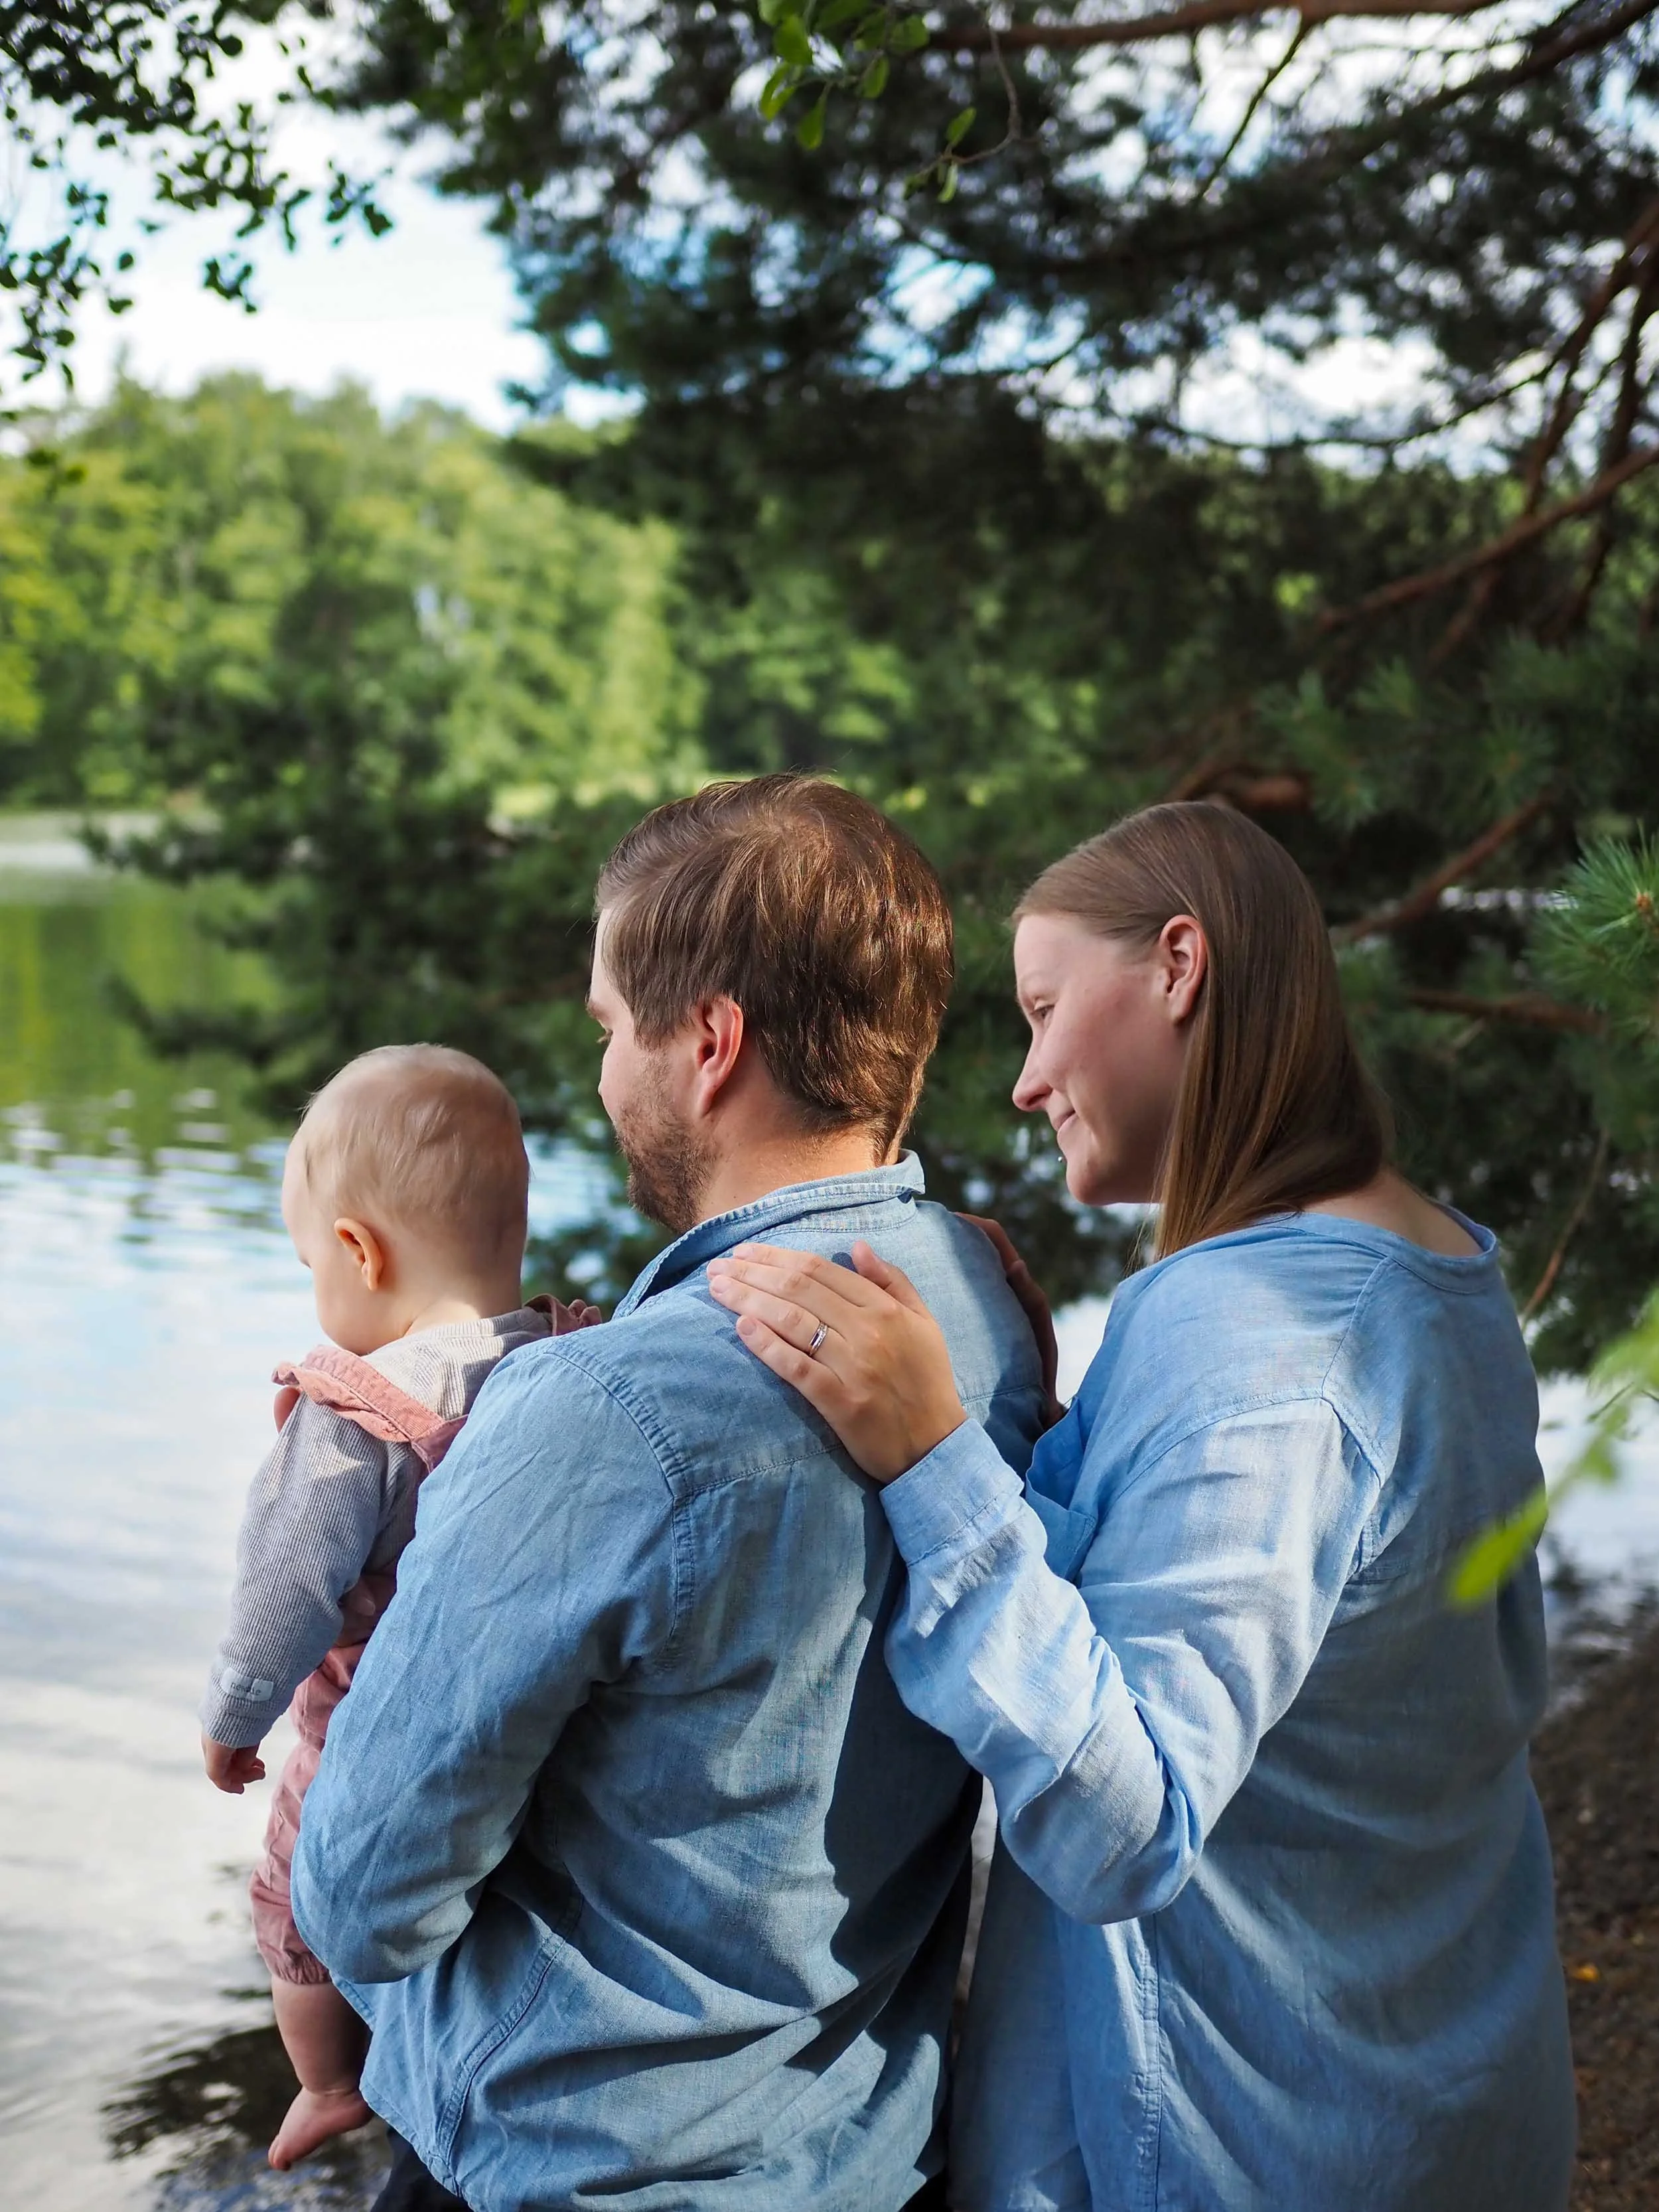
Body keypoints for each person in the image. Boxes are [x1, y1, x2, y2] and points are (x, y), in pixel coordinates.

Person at [708, 800, 1577, 2212]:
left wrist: (932, 1457)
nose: (1025, 1081)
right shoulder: (1424, 1264)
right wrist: (1051, 1429)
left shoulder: (1264, 1339)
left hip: (1255, 2148)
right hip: (1431, 2094)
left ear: (1178, 965)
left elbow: (1126, 1821)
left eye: (1044, 1009)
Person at [289, 777, 1050, 2211]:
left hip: (586, 2168)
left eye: (606, 1030)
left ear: (708, 1044)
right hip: (863, 2161)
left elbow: (366, 1897)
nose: (601, 1077)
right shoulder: (985, 1307)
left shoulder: (596, 1410)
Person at [200, 1044, 596, 2170]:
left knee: (291, 1895)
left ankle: (331, 2084)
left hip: (370, 1729)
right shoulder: (572, 1363)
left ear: (360, 1251)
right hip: (535, 1716)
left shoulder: (353, 1419)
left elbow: (282, 1596)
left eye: (311, 1265)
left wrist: (234, 1717)